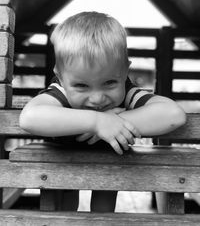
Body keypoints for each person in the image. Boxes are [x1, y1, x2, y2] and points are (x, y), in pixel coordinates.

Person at [19, 11, 186, 212]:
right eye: (81, 86)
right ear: (61, 78)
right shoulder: (61, 92)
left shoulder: (127, 92)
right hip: (63, 162)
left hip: (109, 166)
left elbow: (173, 115)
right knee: (63, 205)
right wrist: (96, 122)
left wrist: (115, 121)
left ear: (125, 72)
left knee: (105, 196)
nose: (97, 98)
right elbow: (29, 118)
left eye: (109, 83)